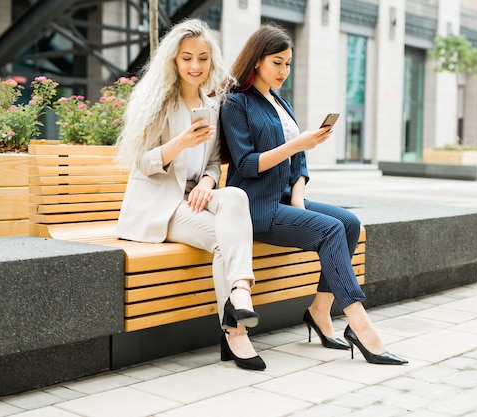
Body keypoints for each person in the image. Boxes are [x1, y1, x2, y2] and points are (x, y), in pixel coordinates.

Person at [220, 24, 407, 365]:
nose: (283, 71)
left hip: (282, 201)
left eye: (288, 63)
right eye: (277, 62)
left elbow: (299, 161)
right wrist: (298, 142)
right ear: (256, 61)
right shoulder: (236, 103)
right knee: (330, 229)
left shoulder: (279, 101)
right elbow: (246, 164)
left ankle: (320, 311)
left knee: (348, 222)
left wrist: (299, 195)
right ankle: (360, 325)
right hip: (254, 208)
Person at [115, 19, 265, 371]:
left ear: (211, 61)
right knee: (224, 242)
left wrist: (207, 183)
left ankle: (239, 293)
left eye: (202, 58)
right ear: (174, 61)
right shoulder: (158, 104)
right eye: (187, 58)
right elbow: (141, 162)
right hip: (161, 205)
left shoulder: (213, 105)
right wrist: (180, 142)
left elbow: (213, 162)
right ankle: (236, 333)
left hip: (195, 198)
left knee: (235, 197)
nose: (195, 66)